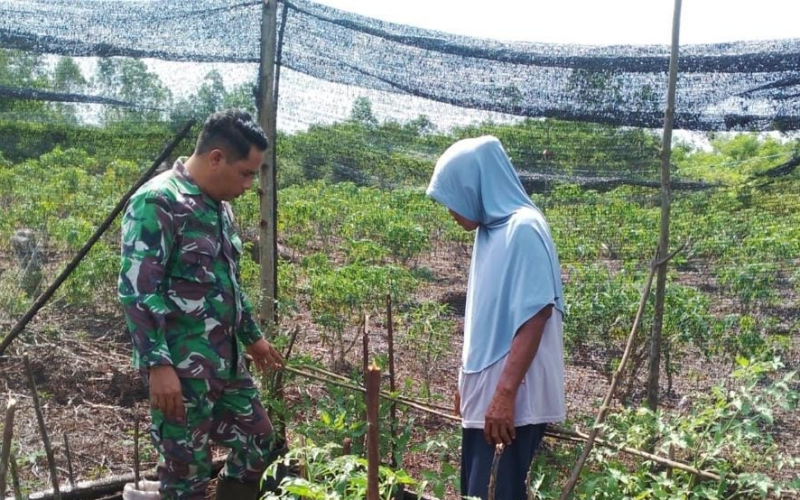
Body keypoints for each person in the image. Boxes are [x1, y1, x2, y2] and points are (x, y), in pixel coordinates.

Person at [118, 109, 285, 500]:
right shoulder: (158, 202)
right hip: (181, 373)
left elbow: (227, 283)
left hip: (225, 364)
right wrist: (158, 366)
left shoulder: (219, 207)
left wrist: (252, 338)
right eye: (245, 173)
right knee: (186, 477)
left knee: (259, 441)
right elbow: (138, 292)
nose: (249, 185)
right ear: (216, 158)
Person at [426, 136, 566, 500]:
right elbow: (488, 320)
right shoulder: (492, 231)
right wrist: (467, 383)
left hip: (511, 406)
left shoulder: (524, 228)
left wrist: (504, 394)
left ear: (476, 186)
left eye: (453, 196)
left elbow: (536, 314)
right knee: (477, 491)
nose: (451, 210)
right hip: (489, 402)